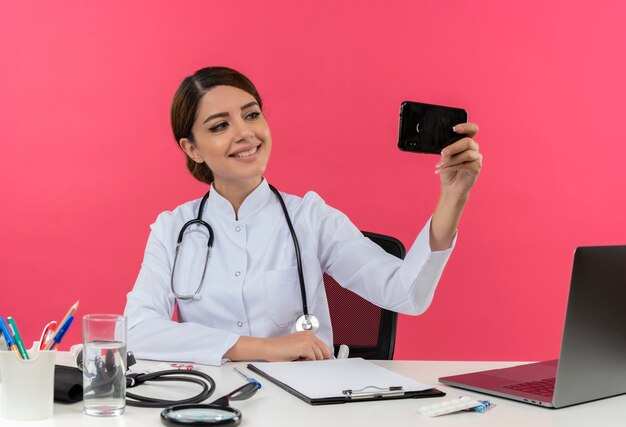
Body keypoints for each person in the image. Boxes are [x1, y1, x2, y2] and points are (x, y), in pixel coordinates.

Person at [124, 66, 482, 366]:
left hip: (305, 401)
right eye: (220, 126)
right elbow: (136, 331)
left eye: (251, 115)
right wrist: (263, 348)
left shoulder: (309, 217)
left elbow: (407, 294)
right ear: (192, 148)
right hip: (214, 401)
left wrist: (452, 198)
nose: (245, 133)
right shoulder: (174, 230)